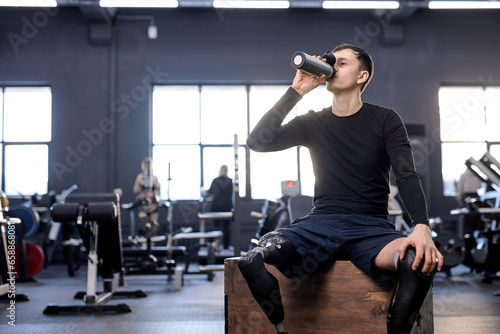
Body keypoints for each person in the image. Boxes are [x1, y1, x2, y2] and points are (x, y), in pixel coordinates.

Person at [238, 44, 443, 334]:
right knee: (254, 258)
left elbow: (407, 175)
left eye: (341, 63)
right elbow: (257, 141)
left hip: (371, 227)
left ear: (362, 76)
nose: (332, 66)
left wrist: (421, 226)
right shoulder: (313, 121)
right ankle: (282, 329)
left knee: (417, 261)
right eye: (330, 62)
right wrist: (297, 89)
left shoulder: (386, 119)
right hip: (319, 225)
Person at [133, 157, 161, 238]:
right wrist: (140, 181)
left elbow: (159, 187)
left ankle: (151, 244)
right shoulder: (140, 177)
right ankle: (144, 244)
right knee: (143, 224)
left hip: (153, 204)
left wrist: (154, 181)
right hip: (142, 204)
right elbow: (135, 190)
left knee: (153, 225)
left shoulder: (154, 177)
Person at [207, 165, 233, 249]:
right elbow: (232, 193)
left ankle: (215, 246)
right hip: (227, 207)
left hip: (216, 207)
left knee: (216, 228)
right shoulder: (230, 181)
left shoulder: (215, 180)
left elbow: (210, 192)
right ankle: (226, 247)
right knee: (226, 229)